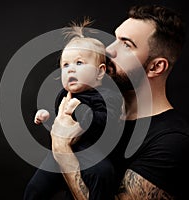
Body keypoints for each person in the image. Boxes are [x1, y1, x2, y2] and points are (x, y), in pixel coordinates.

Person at [50, 4, 189, 200]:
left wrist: (61, 148)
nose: (109, 50)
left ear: (155, 67)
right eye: (115, 39)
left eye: (126, 45)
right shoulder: (95, 109)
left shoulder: (172, 141)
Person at [24, 18, 123, 200]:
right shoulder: (65, 94)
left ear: (100, 72)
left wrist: (80, 110)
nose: (70, 70)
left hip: (91, 151)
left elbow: (104, 122)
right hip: (59, 153)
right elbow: (61, 121)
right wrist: (47, 116)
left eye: (79, 63)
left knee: (104, 173)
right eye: (65, 65)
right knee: (35, 189)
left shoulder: (108, 96)